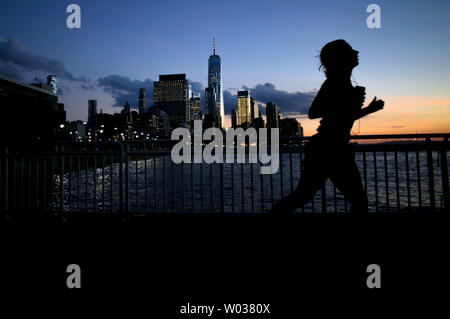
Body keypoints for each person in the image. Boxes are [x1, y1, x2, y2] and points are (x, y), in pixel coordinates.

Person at [270, 39, 384, 214]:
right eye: (350, 50)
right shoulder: (335, 82)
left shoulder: (343, 83)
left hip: (331, 148)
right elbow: (314, 112)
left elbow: (342, 117)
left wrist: (366, 109)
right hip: (328, 148)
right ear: (341, 58)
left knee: (304, 196)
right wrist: (355, 104)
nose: (356, 52)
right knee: (357, 201)